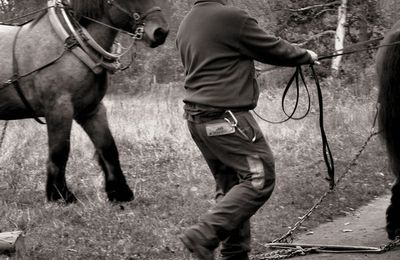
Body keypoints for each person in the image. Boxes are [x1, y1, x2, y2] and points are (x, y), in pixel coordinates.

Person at [175, 1, 318, 259]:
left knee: (231, 186)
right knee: (258, 178)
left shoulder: (187, 23)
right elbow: (271, 47)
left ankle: (234, 254)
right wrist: (305, 55)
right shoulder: (231, 17)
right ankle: (204, 234)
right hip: (227, 121)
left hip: (198, 121)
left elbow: (216, 62)